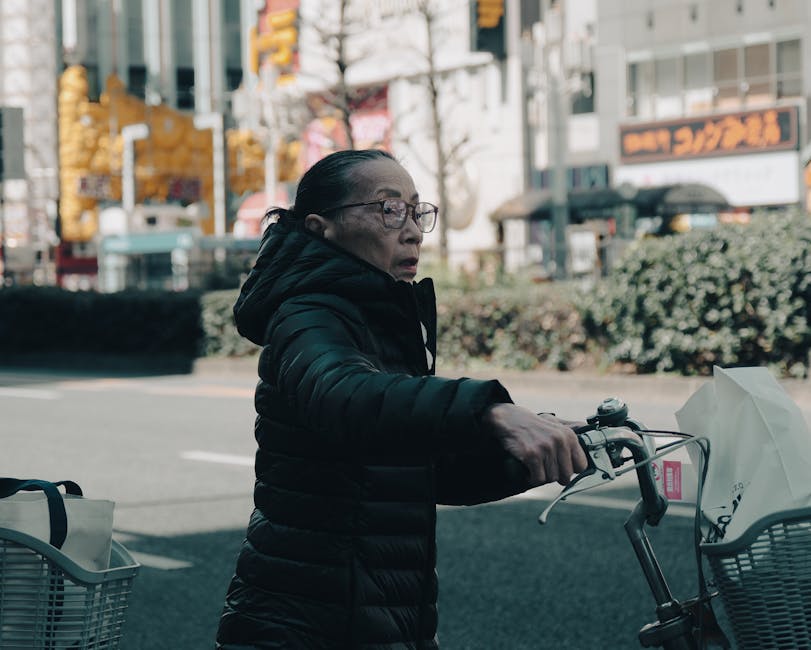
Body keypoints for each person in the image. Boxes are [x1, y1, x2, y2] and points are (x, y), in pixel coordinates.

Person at [216, 149, 588, 649]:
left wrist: (538, 456)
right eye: (389, 210)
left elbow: (415, 474)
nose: (411, 230)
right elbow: (342, 394)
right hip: (308, 626)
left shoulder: (380, 316)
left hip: (377, 621)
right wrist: (488, 410)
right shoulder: (307, 315)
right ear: (321, 226)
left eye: (416, 211)